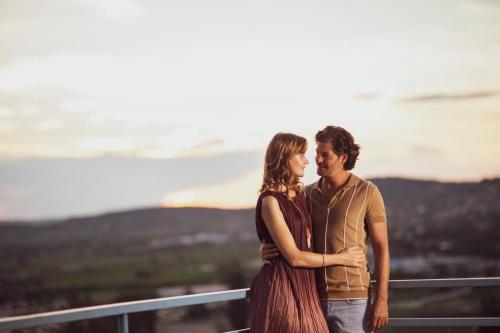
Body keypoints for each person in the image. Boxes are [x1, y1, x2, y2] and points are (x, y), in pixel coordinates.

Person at [261, 126, 390, 333]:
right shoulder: (305, 194)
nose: (317, 160)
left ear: (342, 157)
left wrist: (382, 299)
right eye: (316, 154)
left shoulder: (367, 192)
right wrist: (267, 248)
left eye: (325, 155)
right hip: (311, 299)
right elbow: (287, 228)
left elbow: (381, 247)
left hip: (353, 301)